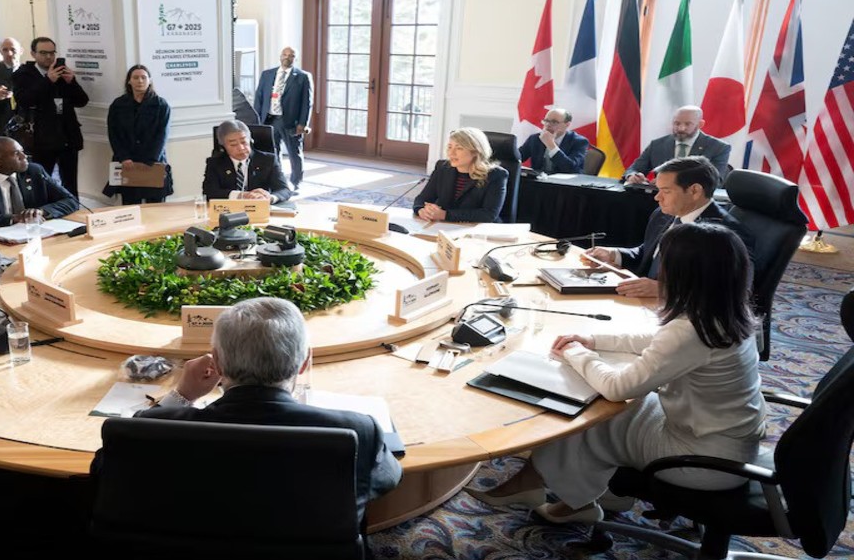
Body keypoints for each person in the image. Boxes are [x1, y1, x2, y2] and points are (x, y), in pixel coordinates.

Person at [468, 222, 765, 524]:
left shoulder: (691, 330)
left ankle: (557, 491)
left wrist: (575, 352)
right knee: (600, 411)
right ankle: (574, 495)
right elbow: (655, 341)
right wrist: (593, 340)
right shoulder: (727, 312)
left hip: (701, 462)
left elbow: (617, 388)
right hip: (725, 442)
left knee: (589, 414)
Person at [114, 297, 401, 523]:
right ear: (304, 363)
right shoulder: (357, 432)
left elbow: (111, 469)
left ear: (217, 363)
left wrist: (182, 396)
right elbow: (387, 480)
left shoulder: (153, 432)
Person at [582, 156, 752, 298]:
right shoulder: (663, 214)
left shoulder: (725, 234)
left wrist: (665, 290)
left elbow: (729, 290)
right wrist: (614, 255)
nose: (657, 197)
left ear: (694, 191)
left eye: (666, 191)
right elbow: (649, 253)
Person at [0, 136, 78, 232]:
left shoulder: (34, 171)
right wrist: (14, 218)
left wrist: (41, 212)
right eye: (17, 154)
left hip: (34, 235)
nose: (24, 156)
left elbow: (71, 201)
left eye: (23, 151)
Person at [13, 37, 90, 197]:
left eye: (52, 53)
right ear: (33, 54)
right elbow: (25, 100)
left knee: (70, 183)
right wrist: (47, 80)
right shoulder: (23, 74)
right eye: (43, 53)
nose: (48, 57)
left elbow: (82, 101)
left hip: (67, 137)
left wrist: (71, 82)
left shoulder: (61, 73)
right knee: (42, 183)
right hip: (41, 139)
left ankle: (73, 209)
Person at [105, 64, 172, 205]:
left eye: (143, 77)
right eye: (135, 78)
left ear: (150, 80)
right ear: (129, 81)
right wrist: (123, 157)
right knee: (130, 205)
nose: (140, 81)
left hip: (153, 162)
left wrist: (149, 160)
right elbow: (113, 133)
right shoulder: (118, 105)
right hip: (127, 162)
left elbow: (162, 135)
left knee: (155, 207)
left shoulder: (161, 105)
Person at [412, 127, 509, 223]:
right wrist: (421, 209)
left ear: (475, 152)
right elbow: (423, 198)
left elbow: (488, 214)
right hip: (445, 225)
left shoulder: (496, 175)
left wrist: (445, 215)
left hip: (479, 228)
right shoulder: (442, 167)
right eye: (449, 147)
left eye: (459, 148)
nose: (451, 153)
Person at [253, 47, 313, 191]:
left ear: (295, 58)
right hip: (269, 119)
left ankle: (296, 182)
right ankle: (278, 181)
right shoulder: (267, 74)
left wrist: (303, 123)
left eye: (291, 55)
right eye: (285, 54)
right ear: (280, 56)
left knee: (294, 153)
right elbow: (259, 97)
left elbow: (307, 102)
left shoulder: (303, 77)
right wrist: (257, 118)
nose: (287, 57)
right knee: (273, 152)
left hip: (290, 121)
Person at [624, 106, 731, 184]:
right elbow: (634, 169)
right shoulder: (657, 144)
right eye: (677, 123)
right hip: (657, 200)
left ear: (700, 124)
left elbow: (715, 181)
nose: (681, 128)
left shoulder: (719, 147)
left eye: (688, 124)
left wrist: (670, 182)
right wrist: (633, 176)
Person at [202, 119, 291, 204]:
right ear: (223, 146)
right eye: (233, 144)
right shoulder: (215, 163)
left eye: (244, 142)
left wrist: (269, 198)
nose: (241, 148)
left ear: (250, 140)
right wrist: (242, 195)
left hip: (260, 209)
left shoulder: (268, 160)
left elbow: (284, 190)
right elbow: (209, 192)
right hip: (229, 210)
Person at [518, 107, 589, 174]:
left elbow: (570, 168)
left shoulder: (579, 142)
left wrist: (551, 145)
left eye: (554, 122)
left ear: (567, 124)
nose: (548, 125)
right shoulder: (535, 138)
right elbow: (517, 157)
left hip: (564, 181)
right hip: (538, 180)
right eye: (546, 121)